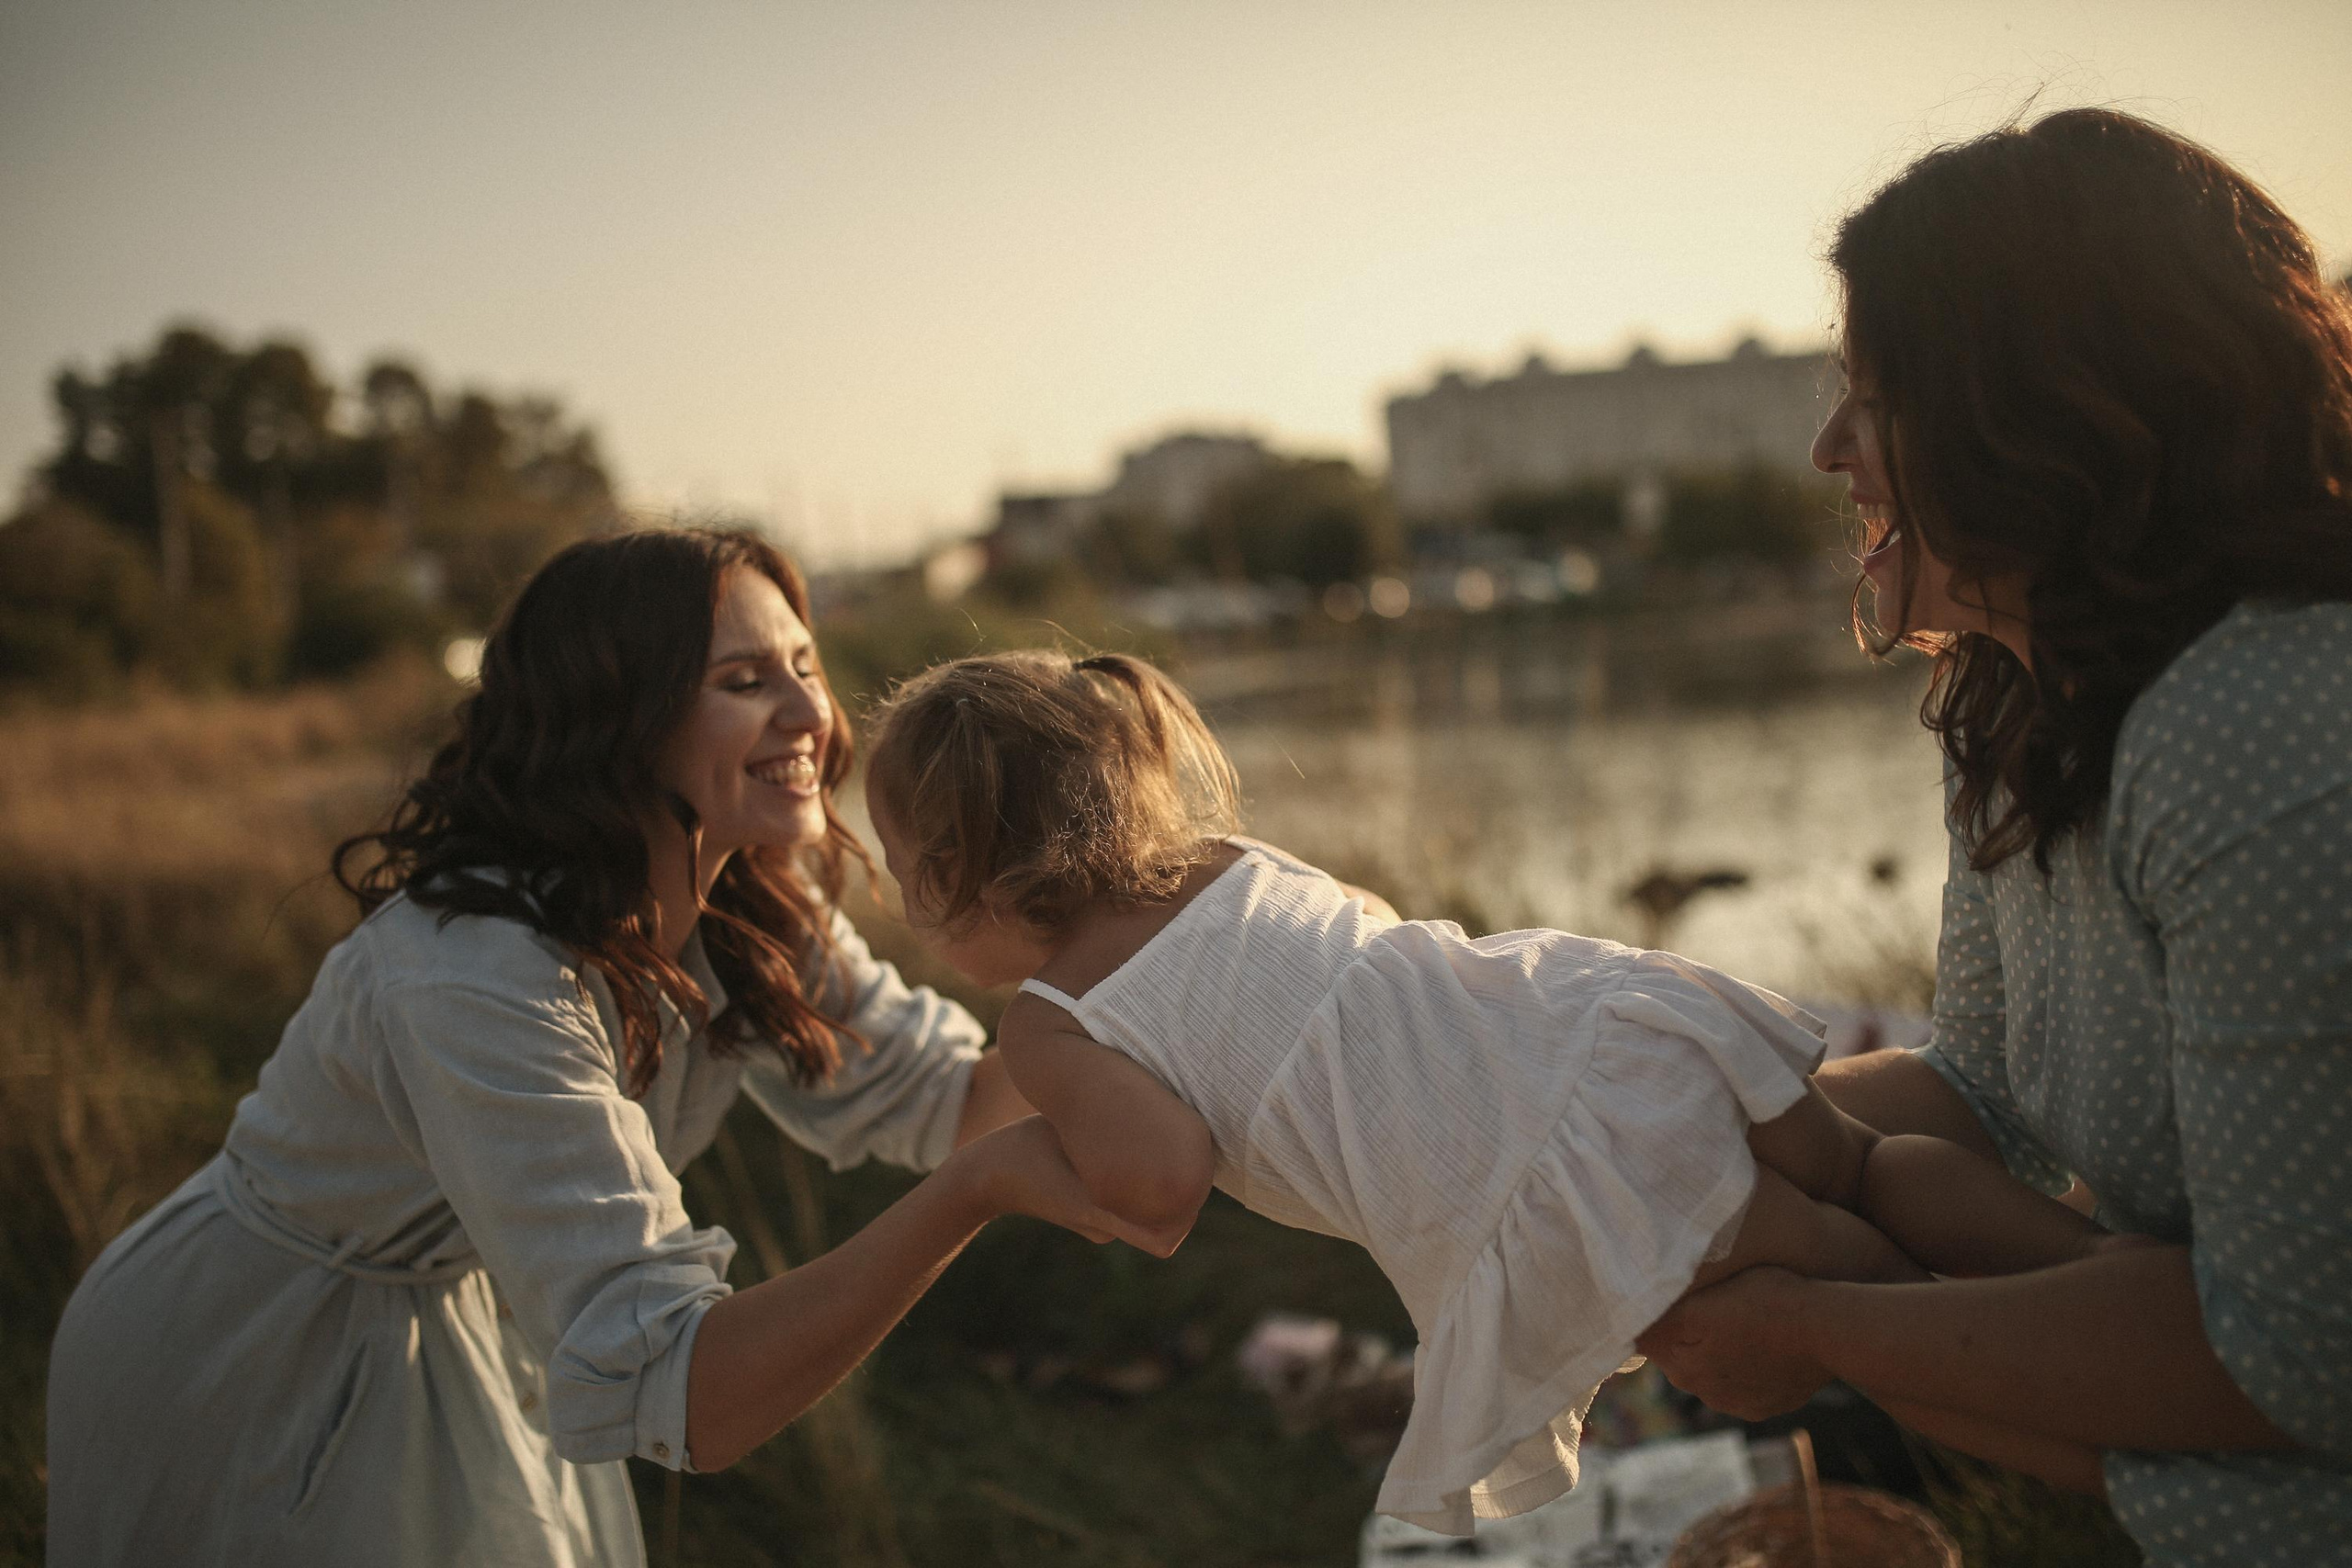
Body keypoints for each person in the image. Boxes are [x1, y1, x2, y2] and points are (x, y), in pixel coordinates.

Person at [45, 528, 1147, 1567]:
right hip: (258, 1351)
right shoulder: (470, 973)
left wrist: (1139, 937)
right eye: (744, 680)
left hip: (475, 1323)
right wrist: (972, 1196)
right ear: (618, 720)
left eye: (805, 664)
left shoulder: (756, 901)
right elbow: (689, 1392)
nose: (810, 709)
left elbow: (953, 1098)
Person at [854, 646, 2135, 1536]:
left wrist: (1029, 1162)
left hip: (1539, 1166)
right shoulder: (1225, 856)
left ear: (945, 877)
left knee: (1874, 1310)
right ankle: (2111, 1274)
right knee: (1856, 1164)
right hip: (1595, 1022)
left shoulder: (1050, 1022)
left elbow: (1164, 1181)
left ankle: (2142, 1466)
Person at [1633, 107, 2352, 1566]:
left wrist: (1818, 1328)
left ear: (2045, 414)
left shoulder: (2266, 721)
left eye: (1877, 396)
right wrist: (1638, 1102)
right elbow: (1981, 1087)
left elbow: (2300, 1356)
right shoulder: (2020, 708)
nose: (1830, 447)